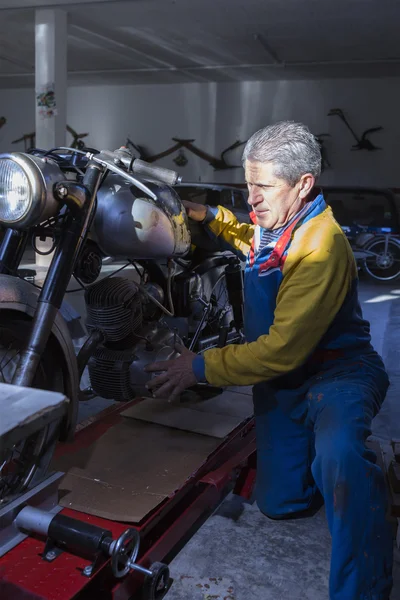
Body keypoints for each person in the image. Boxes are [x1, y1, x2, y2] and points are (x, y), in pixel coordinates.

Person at [145, 121, 393, 599]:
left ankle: (364, 579)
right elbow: (248, 239)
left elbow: (281, 351)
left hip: (337, 375)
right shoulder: (275, 222)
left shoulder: (320, 246)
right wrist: (210, 215)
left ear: (303, 184)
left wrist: (196, 365)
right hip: (284, 381)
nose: (251, 198)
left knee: (342, 461)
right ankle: (317, 460)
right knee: (280, 504)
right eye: (247, 184)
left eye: (262, 186)